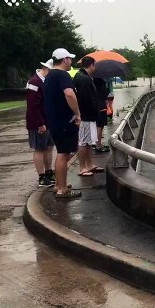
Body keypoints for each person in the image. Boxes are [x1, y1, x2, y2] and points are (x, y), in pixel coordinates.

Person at [43, 48, 82, 198]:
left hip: (55, 121)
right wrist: (77, 113)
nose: (71, 61)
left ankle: (59, 184)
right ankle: (62, 189)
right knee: (63, 153)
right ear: (64, 59)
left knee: (62, 153)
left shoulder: (50, 75)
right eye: (69, 59)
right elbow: (69, 94)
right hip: (64, 122)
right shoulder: (62, 75)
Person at [26, 59, 55, 187]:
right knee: (39, 149)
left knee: (49, 147)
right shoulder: (34, 82)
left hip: (48, 121)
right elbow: (33, 106)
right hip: (38, 122)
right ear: (47, 69)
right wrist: (40, 123)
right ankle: (42, 177)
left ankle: (49, 172)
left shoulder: (46, 81)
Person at [73, 57, 104, 176]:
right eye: (94, 65)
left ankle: (90, 164)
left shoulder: (82, 77)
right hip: (86, 115)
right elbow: (87, 99)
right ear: (91, 65)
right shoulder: (83, 79)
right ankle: (83, 167)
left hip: (88, 115)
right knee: (83, 142)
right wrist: (95, 110)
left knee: (89, 141)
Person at [93, 77, 110, 153]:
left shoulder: (91, 80)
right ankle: (98, 146)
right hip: (101, 106)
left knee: (97, 126)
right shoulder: (101, 80)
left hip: (95, 105)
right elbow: (105, 93)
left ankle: (96, 144)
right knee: (100, 126)